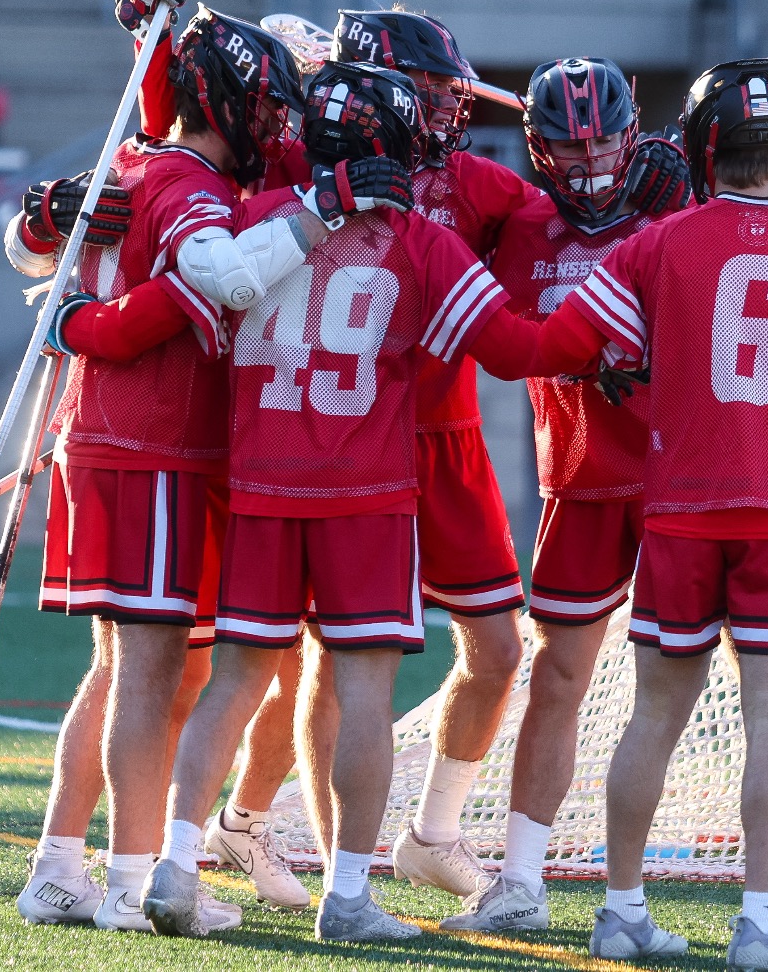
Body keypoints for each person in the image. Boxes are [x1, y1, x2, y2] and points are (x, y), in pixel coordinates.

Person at [136, 61, 559, 944]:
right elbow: (515, 350)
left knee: (239, 679)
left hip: (260, 486)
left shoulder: (253, 219)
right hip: (364, 495)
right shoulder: (419, 239)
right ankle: (349, 895)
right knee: (364, 690)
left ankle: (176, 864)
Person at [522, 59, 768, 970]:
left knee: (653, 715)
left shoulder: (657, 246)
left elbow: (565, 345)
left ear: (700, 147)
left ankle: (621, 910)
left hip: (681, 515)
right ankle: (760, 922)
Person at [8, 0, 317, 933]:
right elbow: (211, 280)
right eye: (268, 105)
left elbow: (36, 238)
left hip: (138, 444)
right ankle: (128, 878)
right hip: (145, 446)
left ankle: (65, 864)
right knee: (146, 670)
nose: (278, 123)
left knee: (150, 667)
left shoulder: (152, 160)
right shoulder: (183, 177)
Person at [434, 56, 685, 933]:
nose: (589, 163)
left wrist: (688, 167)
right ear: (535, 150)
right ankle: (524, 882)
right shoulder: (519, 225)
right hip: (579, 479)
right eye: (568, 148)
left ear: (634, 133)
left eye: (605, 143)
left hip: (682, 479)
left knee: (746, 672)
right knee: (558, 677)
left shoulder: (675, 206)